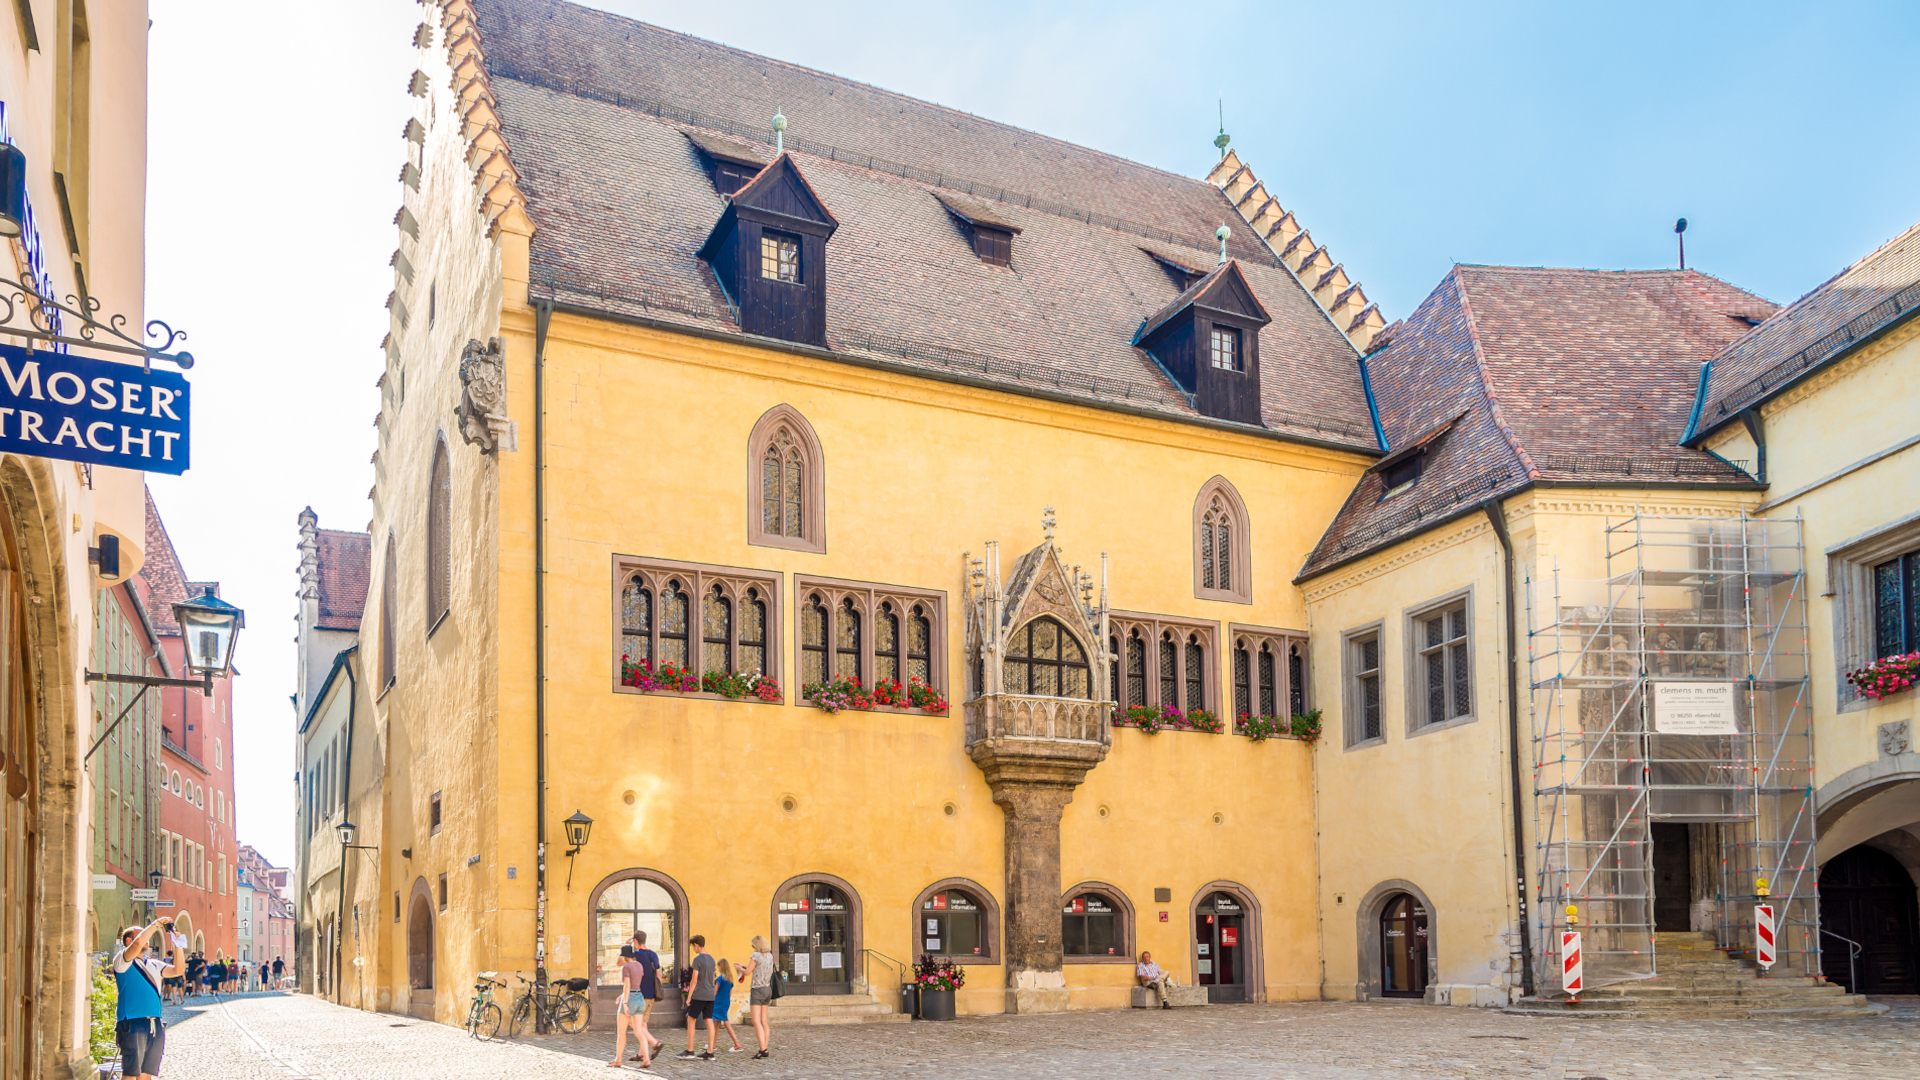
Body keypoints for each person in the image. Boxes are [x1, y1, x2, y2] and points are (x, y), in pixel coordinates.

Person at [113, 919, 184, 1080]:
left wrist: (177, 943)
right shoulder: (122, 960)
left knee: (146, 1073)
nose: (147, 939)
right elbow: (138, 944)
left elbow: (178, 970)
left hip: (154, 1022)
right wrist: (156, 924)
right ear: (129, 941)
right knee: (131, 1073)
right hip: (132, 1021)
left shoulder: (153, 964)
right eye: (142, 935)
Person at [609, 946, 652, 1069]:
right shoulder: (639, 965)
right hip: (639, 998)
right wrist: (622, 996)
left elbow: (627, 986)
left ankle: (618, 1060)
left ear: (624, 956)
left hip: (630, 1000)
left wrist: (625, 1002)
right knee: (639, 1031)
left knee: (621, 1032)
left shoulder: (626, 967)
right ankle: (646, 1059)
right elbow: (635, 984)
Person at [624, 931, 665, 1062]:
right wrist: (656, 993)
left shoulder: (636, 955)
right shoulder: (653, 954)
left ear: (635, 941)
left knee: (633, 1022)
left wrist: (626, 945)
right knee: (643, 1023)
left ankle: (655, 1043)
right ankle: (643, 1053)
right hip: (651, 995)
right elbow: (659, 976)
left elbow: (621, 962)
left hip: (639, 995)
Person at [677, 935, 717, 1061]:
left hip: (700, 994)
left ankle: (690, 1050)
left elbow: (694, 980)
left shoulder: (697, 959)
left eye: (693, 946)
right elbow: (713, 978)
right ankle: (710, 1052)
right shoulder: (712, 959)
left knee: (691, 1019)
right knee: (709, 1020)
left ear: (696, 945)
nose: (693, 949)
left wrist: (689, 997)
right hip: (710, 994)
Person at [738, 938, 774, 1059]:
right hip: (767, 989)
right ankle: (765, 1047)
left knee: (755, 1021)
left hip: (757, 989)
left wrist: (739, 969)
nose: (753, 947)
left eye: (753, 945)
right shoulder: (770, 956)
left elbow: (747, 972)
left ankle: (763, 1049)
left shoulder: (755, 955)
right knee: (764, 1021)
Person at [710, 960, 745, 1052]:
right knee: (716, 1023)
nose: (718, 968)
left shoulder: (720, 978)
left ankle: (737, 1043)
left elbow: (715, 991)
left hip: (718, 1003)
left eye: (718, 966)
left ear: (721, 967)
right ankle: (712, 1044)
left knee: (725, 1022)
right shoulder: (729, 978)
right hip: (726, 1002)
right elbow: (730, 993)